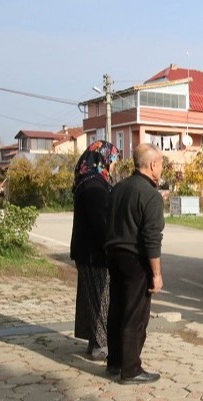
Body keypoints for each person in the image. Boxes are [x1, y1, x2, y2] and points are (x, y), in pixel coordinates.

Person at [105, 143, 165, 384]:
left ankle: (115, 361)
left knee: (117, 309)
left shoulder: (118, 188)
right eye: (161, 164)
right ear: (152, 165)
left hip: (114, 254)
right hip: (135, 259)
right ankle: (131, 369)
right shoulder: (150, 195)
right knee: (135, 314)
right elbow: (152, 238)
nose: (161, 168)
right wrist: (156, 274)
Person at [70, 140, 118, 360]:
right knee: (102, 298)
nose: (114, 166)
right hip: (94, 252)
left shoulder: (86, 180)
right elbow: (100, 223)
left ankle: (93, 342)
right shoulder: (95, 186)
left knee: (92, 296)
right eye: (113, 160)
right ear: (103, 159)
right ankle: (100, 344)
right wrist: (110, 247)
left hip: (85, 250)